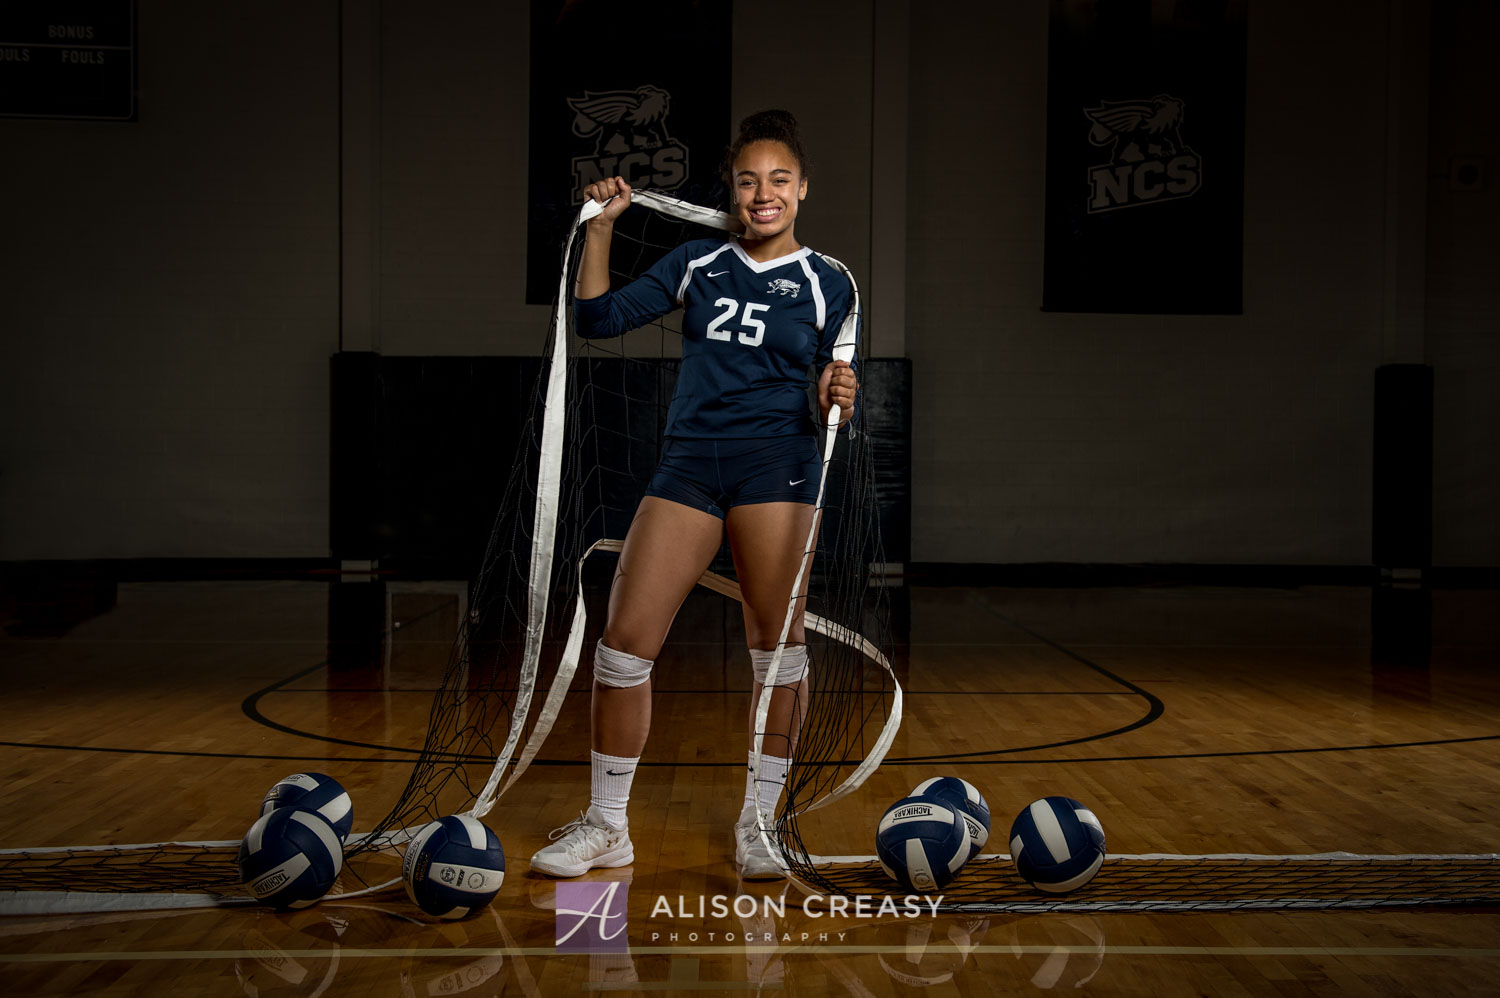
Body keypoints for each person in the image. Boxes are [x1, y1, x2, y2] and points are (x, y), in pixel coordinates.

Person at [529, 109, 858, 882]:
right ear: (732, 191)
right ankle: (608, 826)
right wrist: (604, 227)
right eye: (749, 180)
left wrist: (841, 390)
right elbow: (597, 318)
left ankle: (761, 824)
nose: (763, 193)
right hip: (688, 467)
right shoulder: (696, 263)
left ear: (803, 189)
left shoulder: (830, 282)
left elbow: (836, 402)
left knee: (776, 657)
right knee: (621, 648)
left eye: (779, 179)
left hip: (776, 470)